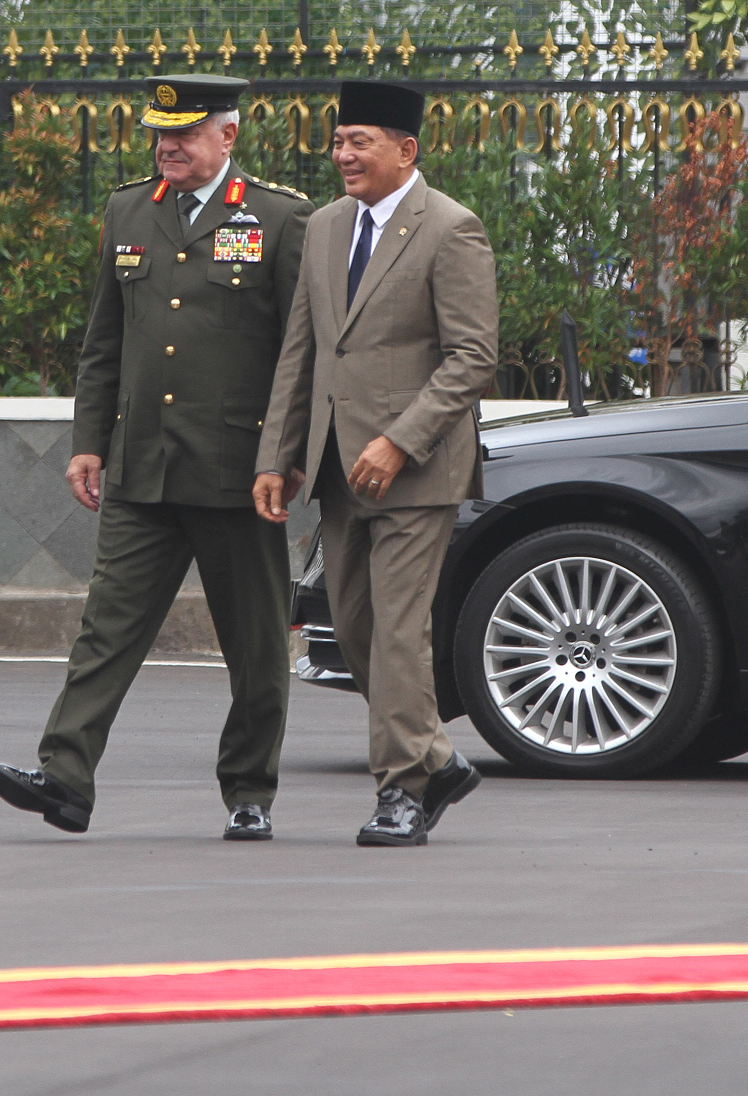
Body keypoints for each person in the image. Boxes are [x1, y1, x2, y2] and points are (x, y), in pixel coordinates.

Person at [0, 75, 315, 841]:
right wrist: (90, 440)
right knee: (106, 628)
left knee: (256, 644)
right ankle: (64, 776)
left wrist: (287, 451)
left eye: (185, 134)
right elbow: (106, 339)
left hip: (239, 471)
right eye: (160, 135)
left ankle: (248, 791)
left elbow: (301, 354)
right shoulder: (129, 208)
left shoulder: (279, 218)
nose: (167, 147)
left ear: (226, 137)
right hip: (142, 465)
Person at [253, 81, 497, 846]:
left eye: (359, 142)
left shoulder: (450, 229)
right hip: (335, 468)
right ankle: (437, 756)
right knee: (354, 633)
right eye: (337, 142)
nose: (343, 156)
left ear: (405, 150)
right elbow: (303, 349)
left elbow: (471, 358)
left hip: (416, 469)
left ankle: (402, 789)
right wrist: (279, 455)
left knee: (396, 632)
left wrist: (400, 439)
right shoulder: (324, 226)